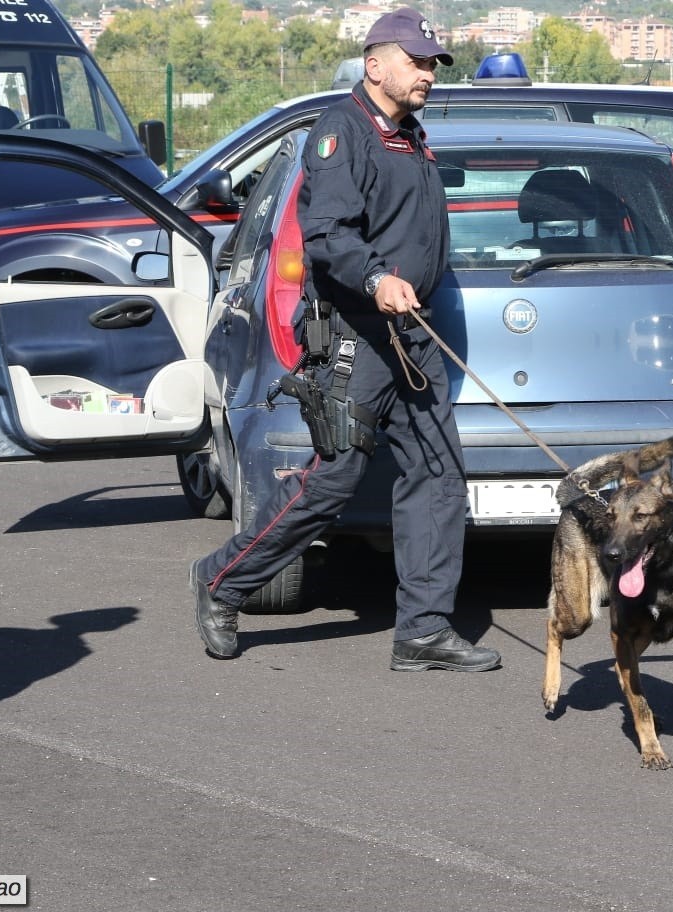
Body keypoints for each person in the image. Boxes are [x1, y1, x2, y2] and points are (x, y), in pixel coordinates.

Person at [190, 8, 500, 673]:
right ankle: (222, 581)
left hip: (413, 339)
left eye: (431, 65)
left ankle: (423, 631)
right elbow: (327, 235)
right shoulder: (341, 132)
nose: (426, 75)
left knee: (439, 475)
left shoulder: (408, 134)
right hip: (357, 339)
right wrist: (378, 276)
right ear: (375, 64)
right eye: (417, 62)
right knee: (333, 484)